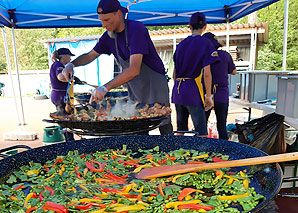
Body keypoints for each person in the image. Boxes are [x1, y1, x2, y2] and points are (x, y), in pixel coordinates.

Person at [60, 0, 173, 135]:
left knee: (163, 120)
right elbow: (90, 55)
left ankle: (170, 147)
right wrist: (71, 64)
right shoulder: (108, 36)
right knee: (136, 122)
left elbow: (134, 69)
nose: (103, 24)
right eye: (101, 20)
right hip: (134, 86)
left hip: (154, 83)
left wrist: (104, 87)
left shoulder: (136, 29)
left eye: (107, 20)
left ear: (119, 14)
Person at [171, 12, 219, 136]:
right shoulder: (205, 43)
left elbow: (174, 74)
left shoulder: (180, 45)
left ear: (190, 26)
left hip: (178, 90)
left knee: (180, 130)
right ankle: (201, 155)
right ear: (205, 26)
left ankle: (179, 154)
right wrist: (208, 96)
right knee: (201, 131)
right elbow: (207, 74)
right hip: (193, 91)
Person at [202, 32, 237, 140]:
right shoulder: (225, 55)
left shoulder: (203, 56)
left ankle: (203, 149)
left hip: (206, 94)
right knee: (221, 125)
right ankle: (224, 151)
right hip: (221, 93)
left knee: (202, 125)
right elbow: (234, 72)